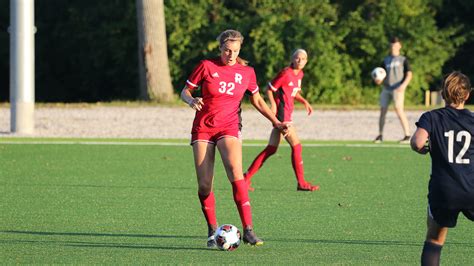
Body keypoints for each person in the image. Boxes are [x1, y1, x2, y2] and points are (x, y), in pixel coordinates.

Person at [180, 29, 289, 248]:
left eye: (235, 51)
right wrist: (191, 101)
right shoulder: (206, 66)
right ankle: (212, 229)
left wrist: (275, 122)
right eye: (227, 50)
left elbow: (257, 100)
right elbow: (184, 92)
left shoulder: (247, 72)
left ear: (239, 50)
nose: (230, 55)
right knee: (204, 185)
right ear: (220, 48)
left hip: (229, 126)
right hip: (203, 127)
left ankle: (248, 229)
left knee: (235, 171)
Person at [410, 71, 473, 265]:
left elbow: (417, 142)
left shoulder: (432, 117)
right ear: (468, 95)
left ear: (443, 94)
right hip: (471, 188)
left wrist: (427, 148)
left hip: (444, 190)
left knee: (435, 239)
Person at [244, 49, 320, 192]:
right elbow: (270, 88)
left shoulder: (300, 74)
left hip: (286, 115)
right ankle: (301, 183)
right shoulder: (286, 73)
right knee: (297, 146)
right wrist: (273, 104)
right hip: (282, 115)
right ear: (292, 59)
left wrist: (304, 101)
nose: (300, 61)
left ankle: (245, 178)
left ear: (306, 61)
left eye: (303, 59)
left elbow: (293, 92)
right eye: (297, 58)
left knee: (271, 149)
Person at [374, 36, 413, 144]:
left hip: (398, 89)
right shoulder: (386, 60)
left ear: (399, 46)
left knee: (399, 109)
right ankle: (380, 135)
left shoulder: (403, 60)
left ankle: (407, 135)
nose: (393, 47)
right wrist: (379, 81)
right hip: (386, 88)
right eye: (391, 45)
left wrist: (403, 85)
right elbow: (381, 74)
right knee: (383, 111)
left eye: (395, 45)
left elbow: (409, 74)